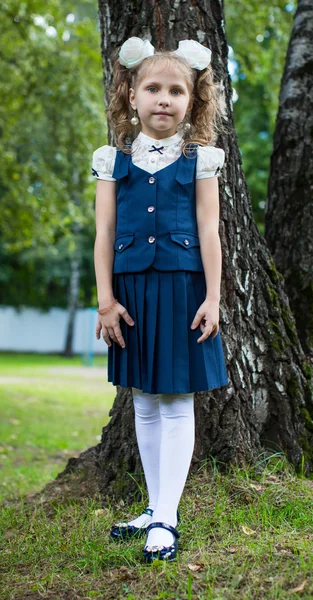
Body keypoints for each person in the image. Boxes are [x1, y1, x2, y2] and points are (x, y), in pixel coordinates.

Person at [92, 36, 229, 563]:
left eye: (176, 91)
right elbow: (104, 235)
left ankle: (166, 519)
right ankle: (155, 507)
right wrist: (106, 302)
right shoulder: (113, 161)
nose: (164, 99)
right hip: (130, 293)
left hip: (182, 290)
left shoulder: (200, 161)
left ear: (191, 102)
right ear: (131, 95)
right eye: (153, 88)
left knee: (176, 403)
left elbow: (211, 233)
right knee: (144, 402)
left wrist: (214, 297)